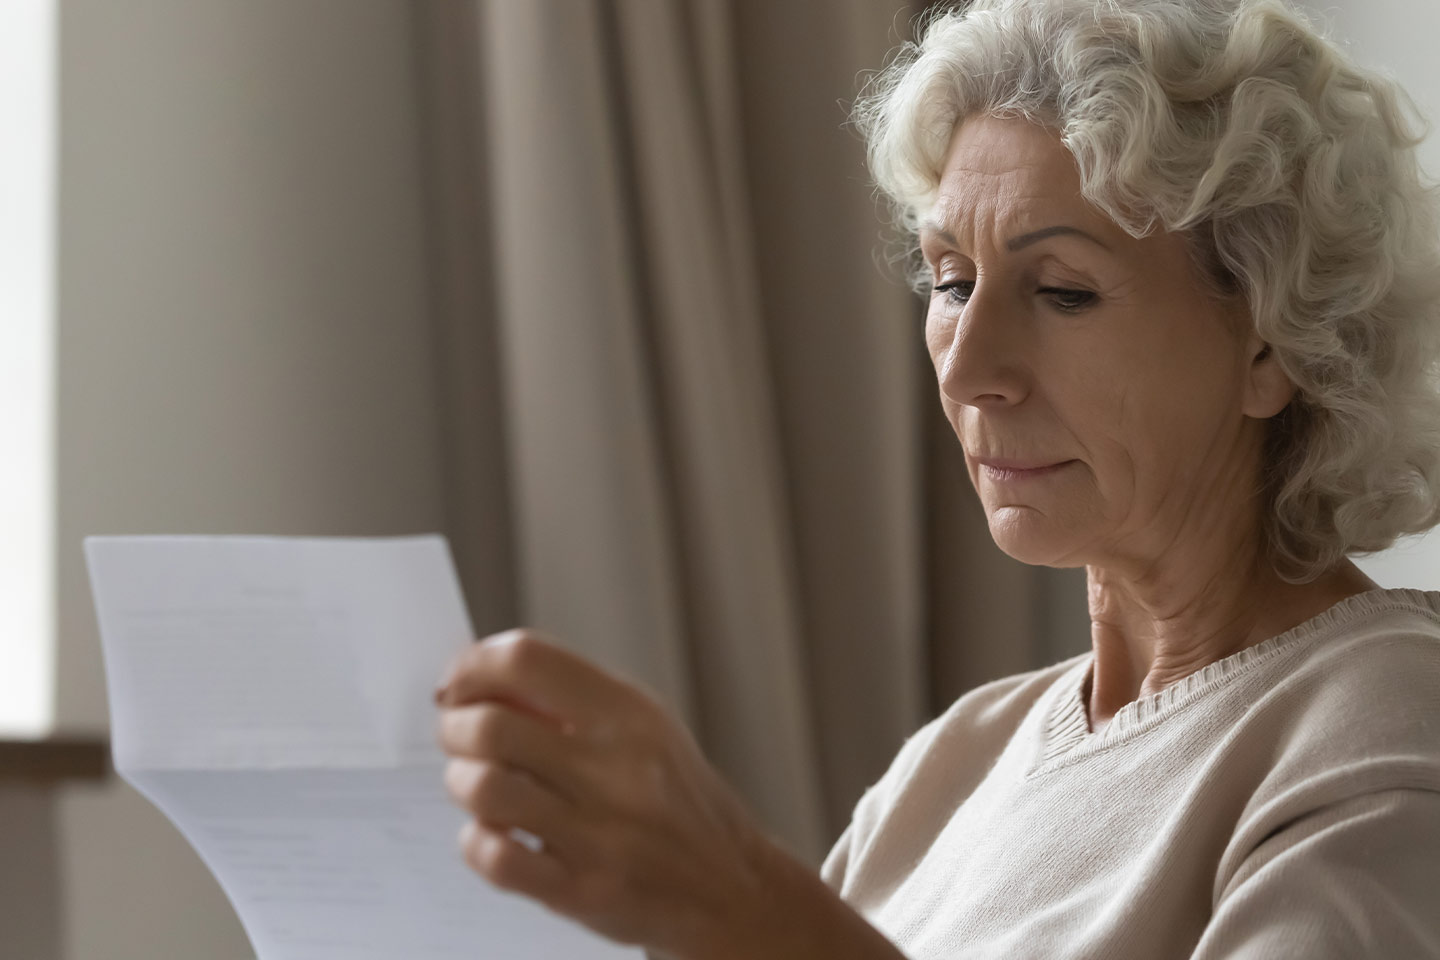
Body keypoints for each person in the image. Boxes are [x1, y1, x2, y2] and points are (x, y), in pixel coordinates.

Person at [433, 0, 1440, 956]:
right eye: (951, 281)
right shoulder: (952, 765)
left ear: (1272, 345)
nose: (967, 369)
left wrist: (743, 905)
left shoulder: (1387, 727)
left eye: (1061, 292)